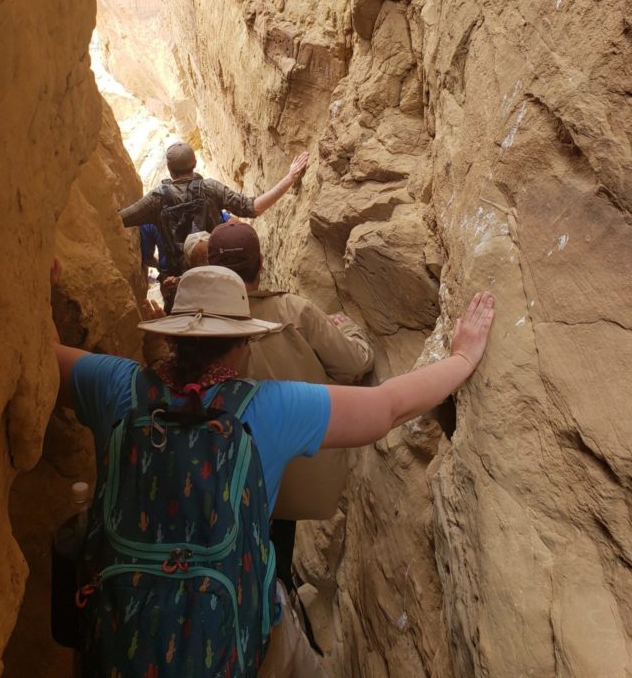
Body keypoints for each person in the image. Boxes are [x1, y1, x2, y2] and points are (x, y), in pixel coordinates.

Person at [53, 267, 496, 677]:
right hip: (231, 627)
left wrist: (40, 283)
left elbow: (37, 357)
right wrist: (461, 359)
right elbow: (388, 407)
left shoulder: (116, 387)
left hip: (120, 627)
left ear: (173, 335)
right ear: (242, 343)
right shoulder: (267, 407)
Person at [202, 221, 373, 596]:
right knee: (277, 542)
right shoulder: (295, 312)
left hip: (216, 477)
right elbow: (355, 364)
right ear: (260, 264)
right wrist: (351, 330)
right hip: (294, 477)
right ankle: (277, 600)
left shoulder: (196, 326)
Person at [118, 141, 309, 279]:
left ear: (169, 169)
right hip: (218, 276)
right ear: (194, 164)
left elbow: (119, 220)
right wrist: (290, 178)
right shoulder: (210, 188)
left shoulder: (155, 199)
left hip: (177, 282)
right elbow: (254, 207)